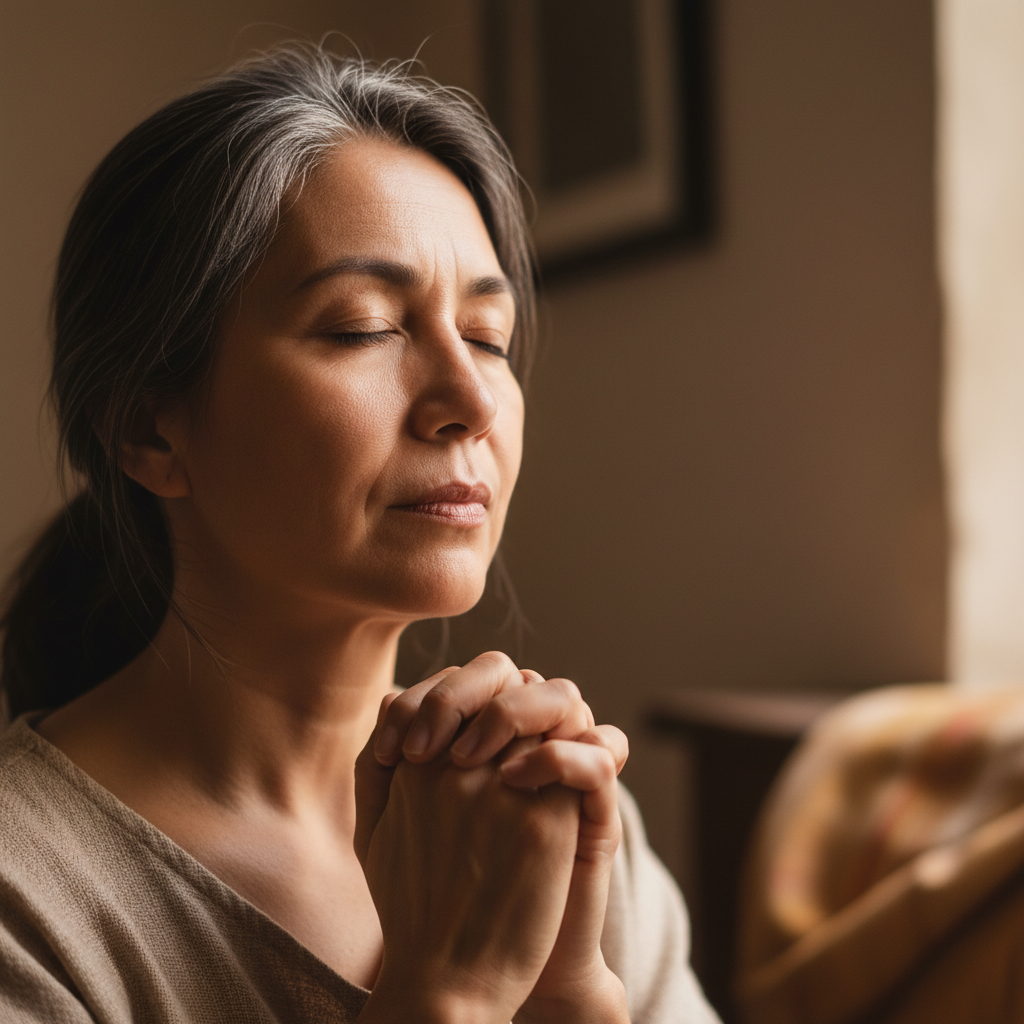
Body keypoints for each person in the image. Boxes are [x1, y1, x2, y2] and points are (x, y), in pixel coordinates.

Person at [0, 44, 720, 1024]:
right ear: (146, 428)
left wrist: (570, 999)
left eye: (488, 337)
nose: (468, 399)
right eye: (363, 326)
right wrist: (446, 995)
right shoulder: (30, 902)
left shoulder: (553, 815)